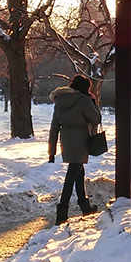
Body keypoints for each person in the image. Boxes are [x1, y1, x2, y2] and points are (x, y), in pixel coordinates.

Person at [48, 75, 102, 223]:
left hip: (66, 140)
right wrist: (93, 102)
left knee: (78, 171)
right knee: (72, 173)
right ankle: (62, 210)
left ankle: (84, 206)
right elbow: (96, 119)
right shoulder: (84, 100)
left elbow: (54, 127)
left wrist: (51, 152)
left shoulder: (60, 100)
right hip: (81, 140)